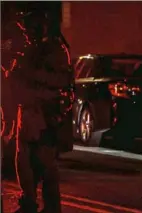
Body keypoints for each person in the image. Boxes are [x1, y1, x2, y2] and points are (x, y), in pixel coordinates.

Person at [1, 3, 73, 213]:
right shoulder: (31, 47)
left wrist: (26, 74)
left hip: (45, 115)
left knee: (46, 166)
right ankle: (28, 202)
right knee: (23, 162)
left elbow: (59, 80)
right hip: (28, 113)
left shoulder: (55, 49)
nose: (26, 30)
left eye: (29, 26)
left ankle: (51, 208)